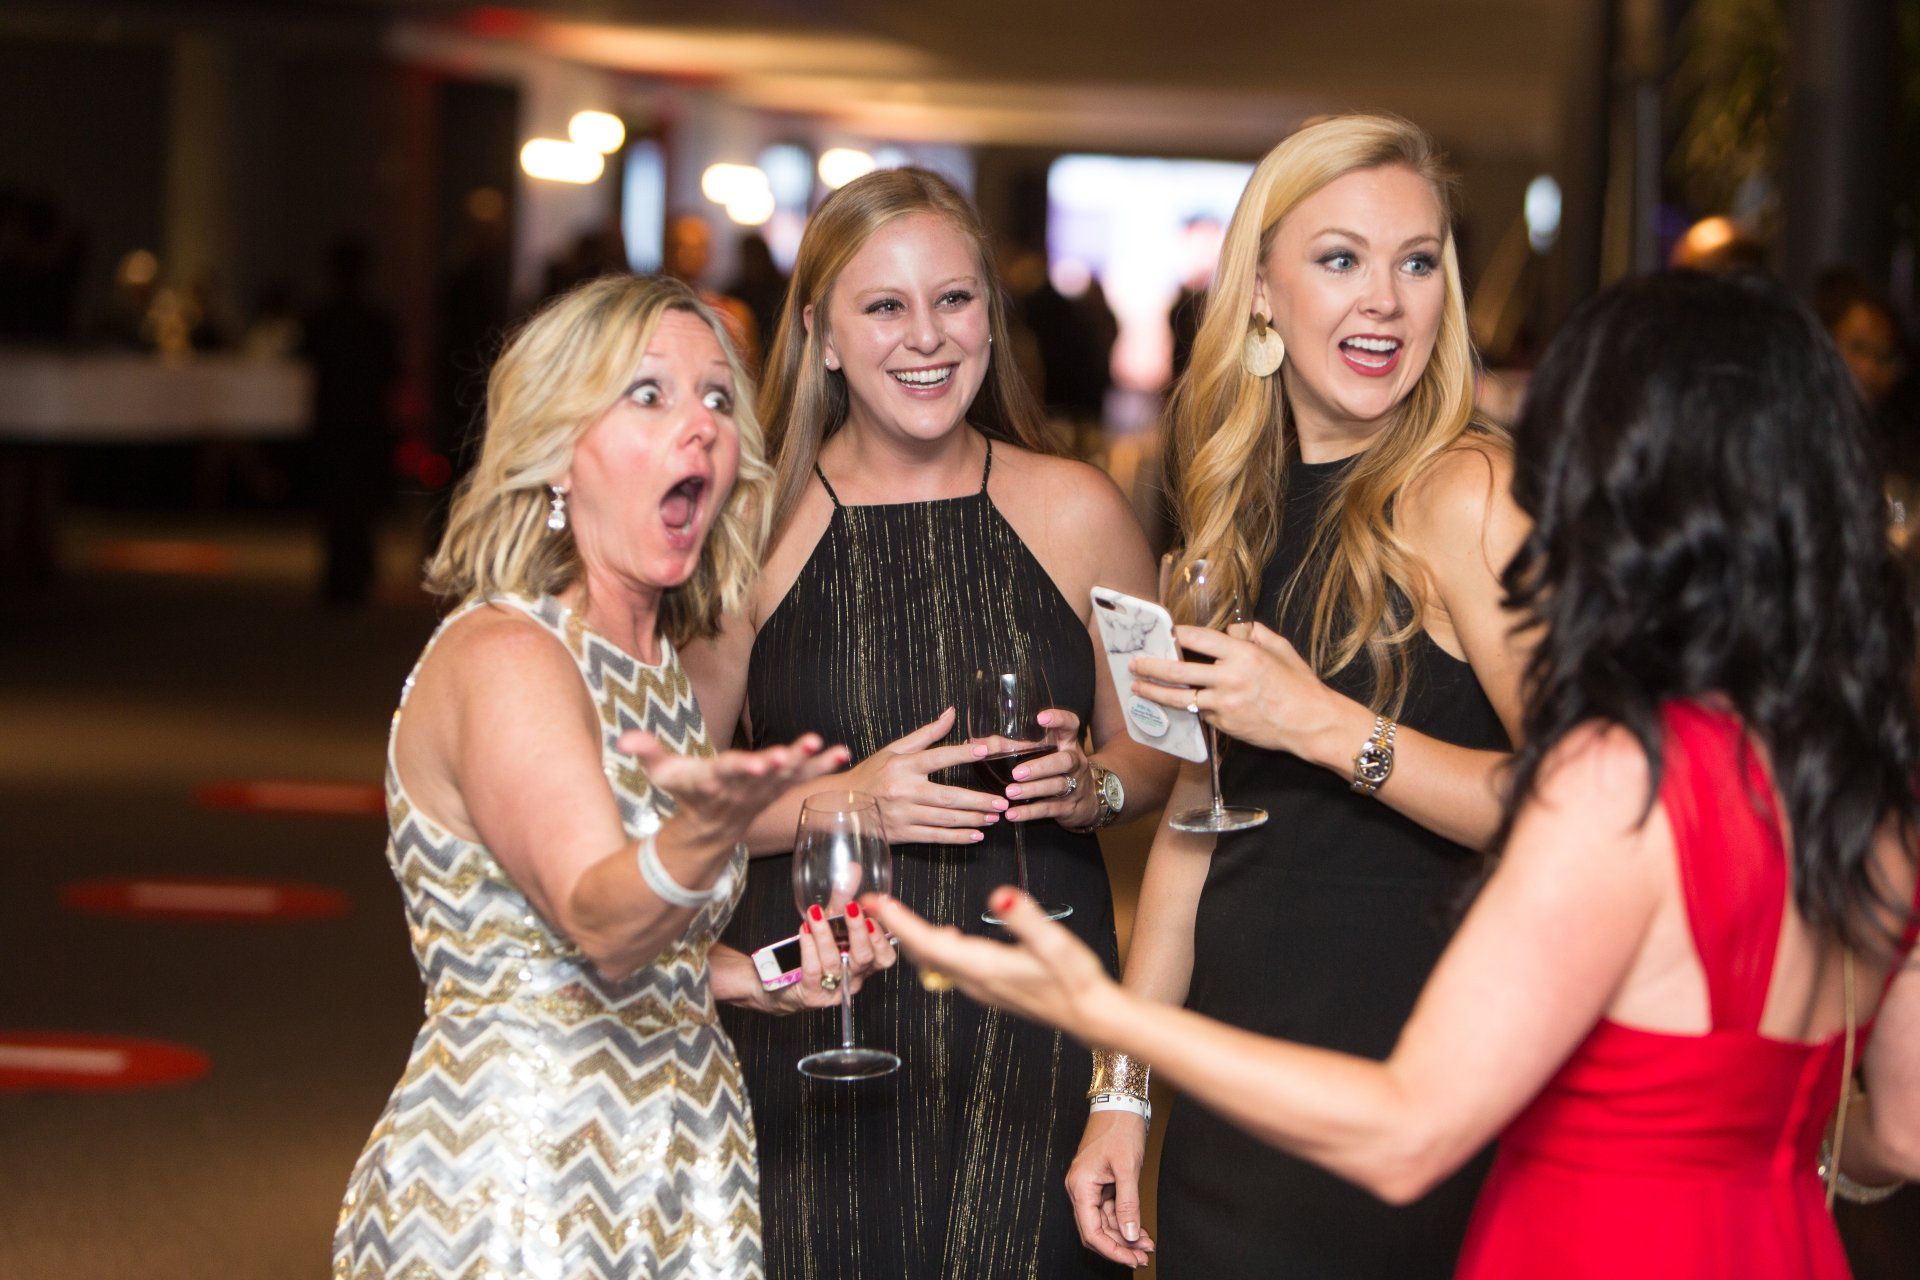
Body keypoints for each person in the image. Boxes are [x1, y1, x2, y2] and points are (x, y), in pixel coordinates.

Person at [875, 269, 1920, 1278]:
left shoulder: (1620, 777)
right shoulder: (1868, 781)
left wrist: (1107, 1016)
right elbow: (1903, 1132)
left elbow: (1407, 1127)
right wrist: (1755, 1159)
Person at [331, 275, 896, 1280]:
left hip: (677, 1167)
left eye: (718, 399)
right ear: (556, 449)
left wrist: (765, 974)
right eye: (649, 394)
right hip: (522, 1188)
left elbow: (640, 970)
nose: (702, 428)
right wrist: (705, 827)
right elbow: (599, 913)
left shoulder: (654, 669)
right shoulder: (507, 656)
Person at [1059, 115, 1532, 1277]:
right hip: (1235, 1097)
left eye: (1417, 262)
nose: (1386, 299)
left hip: (1406, 1089)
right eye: (1340, 259)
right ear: (1260, 291)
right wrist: (1121, 1088)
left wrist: (1327, 726)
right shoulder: (1228, 520)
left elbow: (1582, 804)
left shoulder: (1472, 491)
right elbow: (1187, 832)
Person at [684, 166, 1176, 1279]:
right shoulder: (749, 530)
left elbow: (1168, 758)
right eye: (885, 305)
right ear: (820, 334)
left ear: (990, 321)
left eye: (954, 301)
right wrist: (840, 800)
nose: (927, 338)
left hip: (1036, 1024)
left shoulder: (1083, 507)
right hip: (822, 1020)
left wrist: (1094, 783)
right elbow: (675, 815)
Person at [302, 237, 398, 605]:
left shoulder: (321, 319)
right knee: (361, 502)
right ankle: (357, 574)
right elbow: (391, 371)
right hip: (367, 421)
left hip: (333, 421)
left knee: (336, 501)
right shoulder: (376, 320)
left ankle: (339, 576)